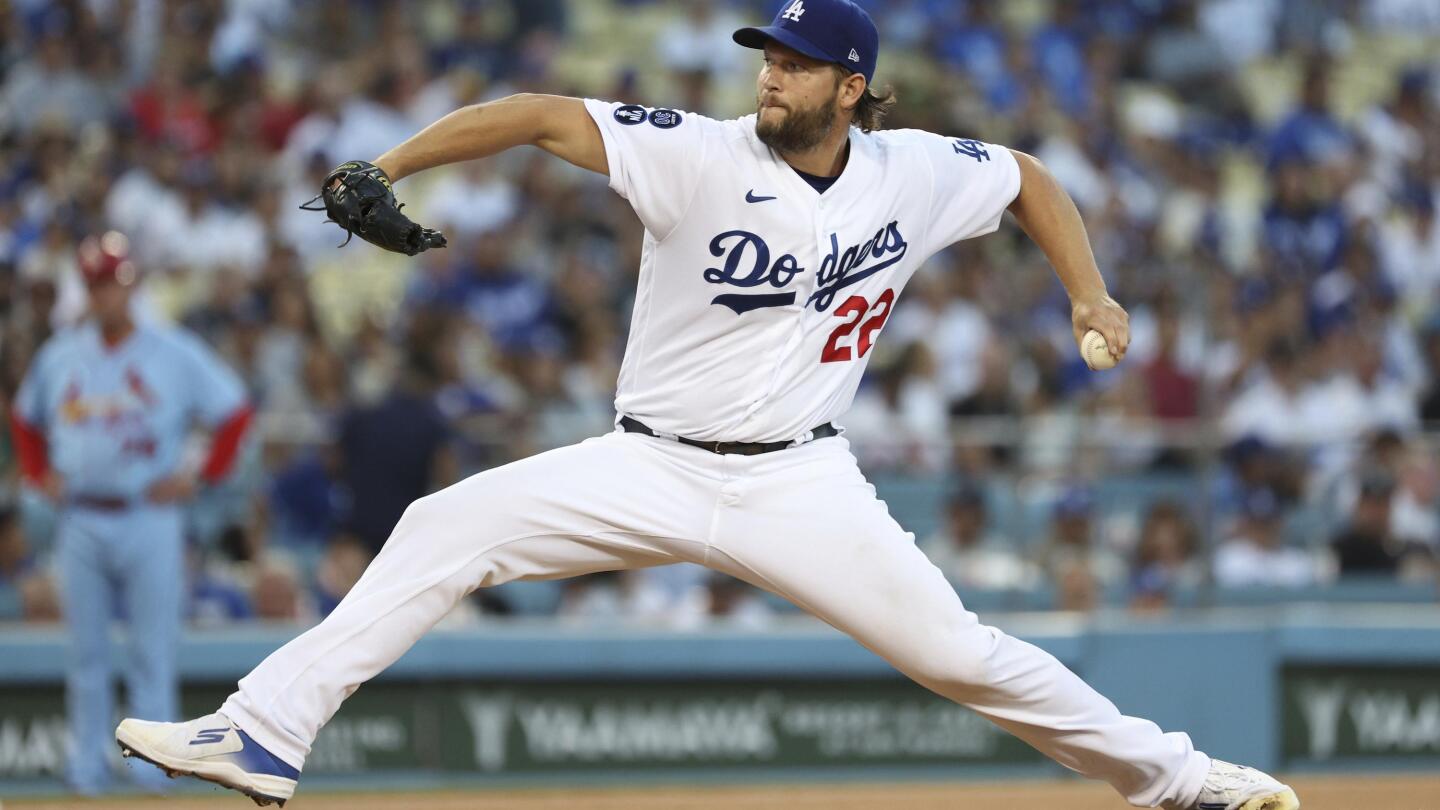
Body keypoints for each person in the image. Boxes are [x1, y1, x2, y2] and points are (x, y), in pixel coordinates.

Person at [115, 3, 1297, 809]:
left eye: (790, 60)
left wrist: (1090, 293)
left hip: (800, 479)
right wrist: (394, 166)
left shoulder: (914, 170)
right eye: (763, 55)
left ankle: (1181, 782)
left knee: (962, 655)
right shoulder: (698, 151)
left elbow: (1030, 179)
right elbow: (538, 113)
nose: (768, 73)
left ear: (853, 85)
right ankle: (263, 734)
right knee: (443, 529)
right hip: (653, 463)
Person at [10, 231, 252, 795]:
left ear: (132, 285)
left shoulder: (171, 349)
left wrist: (200, 476)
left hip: (149, 516)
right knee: (86, 656)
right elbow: (24, 418)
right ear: (87, 291)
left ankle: (152, 778)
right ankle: (86, 773)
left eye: (113, 283)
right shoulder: (62, 353)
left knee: (152, 650)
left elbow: (234, 411)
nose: (106, 296)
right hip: (81, 518)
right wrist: (37, 474)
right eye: (96, 285)